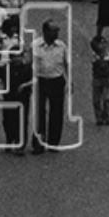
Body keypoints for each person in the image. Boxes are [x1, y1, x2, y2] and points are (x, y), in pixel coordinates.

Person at [32, 20, 69, 152]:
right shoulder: (36, 45)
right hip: (40, 80)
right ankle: (39, 143)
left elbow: (66, 64)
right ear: (45, 32)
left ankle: (54, 142)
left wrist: (70, 81)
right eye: (54, 30)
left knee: (57, 112)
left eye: (57, 31)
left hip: (57, 80)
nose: (56, 33)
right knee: (39, 112)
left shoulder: (61, 46)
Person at [89, 33, 109, 126]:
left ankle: (107, 116)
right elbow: (95, 66)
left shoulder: (108, 56)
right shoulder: (94, 56)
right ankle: (99, 117)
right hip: (97, 79)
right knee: (96, 99)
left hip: (106, 79)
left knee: (106, 98)